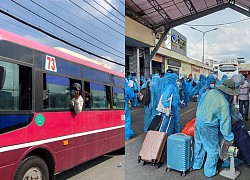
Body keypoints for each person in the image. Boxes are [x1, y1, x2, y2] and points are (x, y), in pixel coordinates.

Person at [192, 79, 238, 177]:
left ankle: (196, 165)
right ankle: (209, 172)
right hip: (208, 126)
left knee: (199, 144)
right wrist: (229, 137)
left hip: (198, 121)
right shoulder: (223, 103)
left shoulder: (209, 92)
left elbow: (199, 104)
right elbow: (225, 124)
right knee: (213, 149)